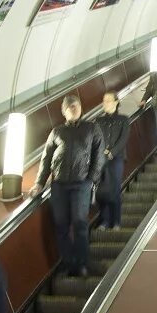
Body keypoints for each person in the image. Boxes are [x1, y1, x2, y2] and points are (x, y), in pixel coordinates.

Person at [33, 95, 105, 275]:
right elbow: (46, 158)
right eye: (70, 107)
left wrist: (91, 179)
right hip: (59, 185)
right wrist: (39, 183)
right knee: (61, 225)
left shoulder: (91, 128)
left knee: (80, 223)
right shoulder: (56, 132)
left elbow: (99, 155)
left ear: (81, 108)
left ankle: (82, 263)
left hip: (81, 183)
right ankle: (68, 264)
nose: (74, 108)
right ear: (64, 111)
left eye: (76, 106)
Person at [95, 91, 131, 230]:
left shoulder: (123, 119)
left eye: (109, 100)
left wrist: (112, 152)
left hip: (117, 158)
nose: (105, 103)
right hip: (101, 160)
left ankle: (116, 221)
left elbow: (124, 139)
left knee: (114, 189)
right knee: (103, 190)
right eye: (104, 101)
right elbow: (96, 139)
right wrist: (102, 152)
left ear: (116, 102)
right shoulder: (99, 120)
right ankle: (104, 220)